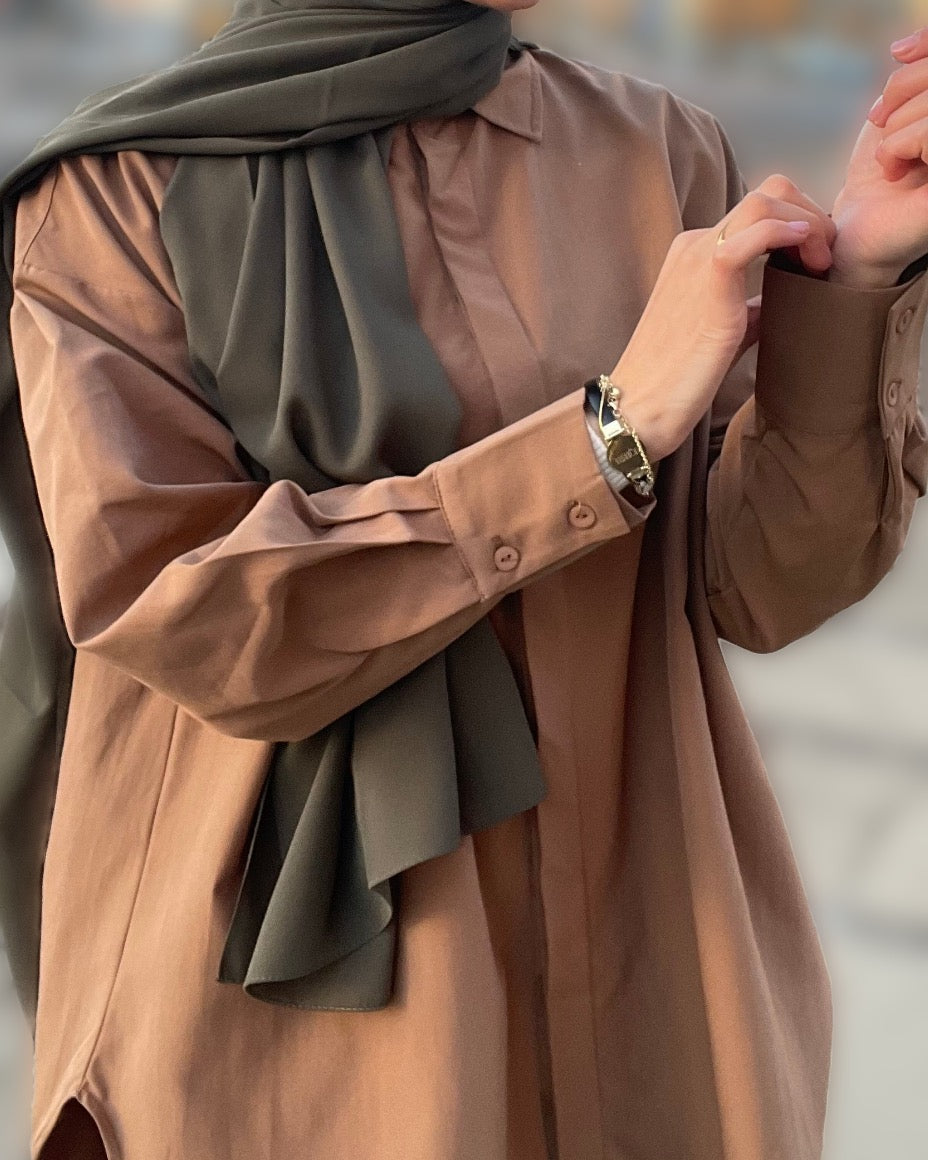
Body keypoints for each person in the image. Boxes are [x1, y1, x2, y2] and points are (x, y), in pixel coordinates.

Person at [3, 1, 928, 1157]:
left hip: (642, 953)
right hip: (289, 1023)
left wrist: (861, 274)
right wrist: (602, 438)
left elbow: (762, 582)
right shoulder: (112, 192)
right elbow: (184, 609)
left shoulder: (652, 147)